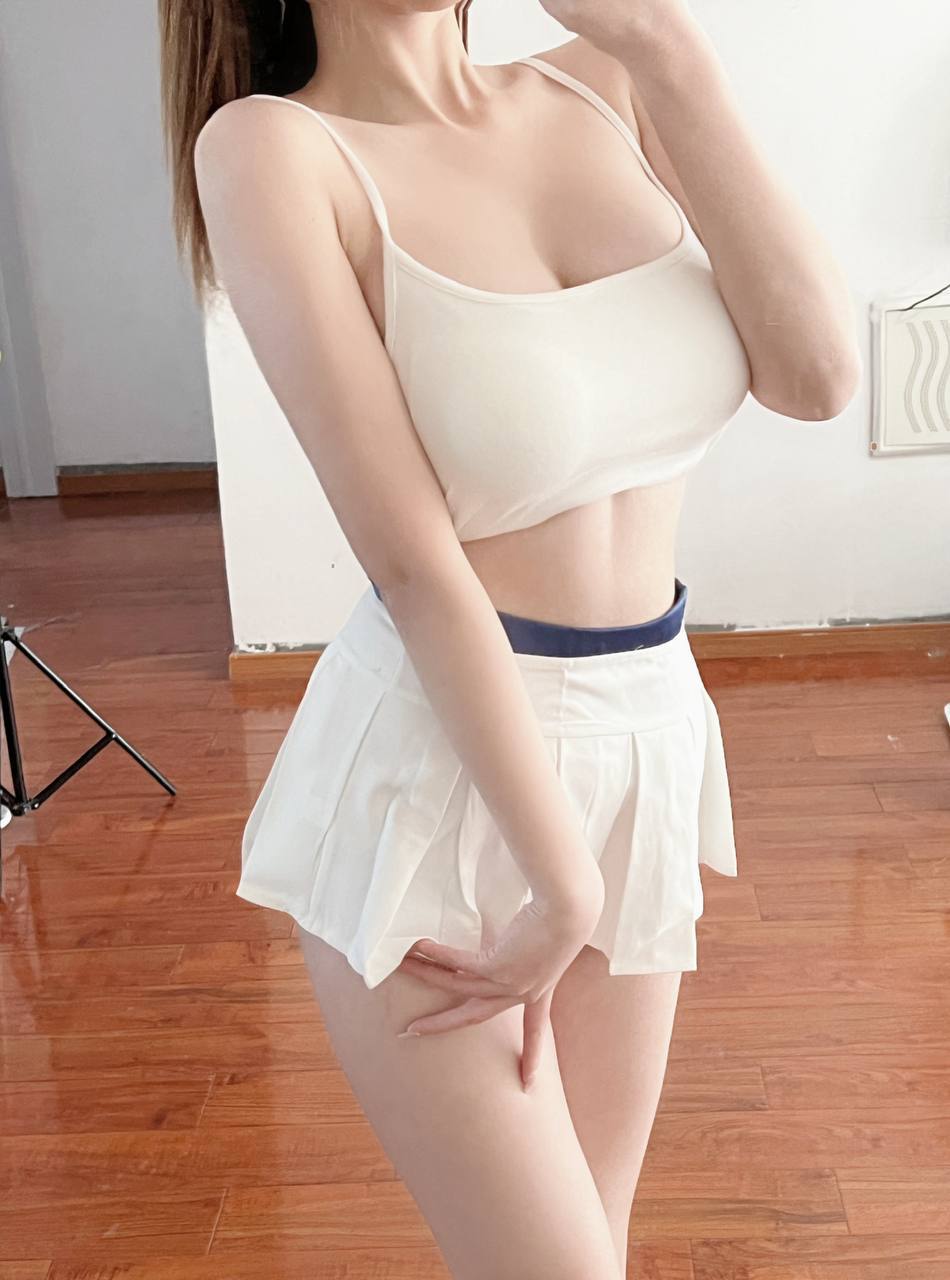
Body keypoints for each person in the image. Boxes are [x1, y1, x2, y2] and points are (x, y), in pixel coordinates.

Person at [159, 1, 861, 1275]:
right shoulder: (273, 149)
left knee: (597, 1241)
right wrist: (559, 875)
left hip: (643, 738)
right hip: (444, 773)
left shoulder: (614, 82)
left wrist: (667, 45)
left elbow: (814, 376)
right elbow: (411, 561)